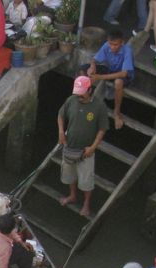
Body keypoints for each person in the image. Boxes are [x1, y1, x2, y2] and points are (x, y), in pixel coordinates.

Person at [57, 75, 109, 217]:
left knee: (86, 180)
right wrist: (61, 131)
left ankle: (86, 204)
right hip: (70, 146)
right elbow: (60, 115)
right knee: (70, 175)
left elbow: (102, 129)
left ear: (90, 90)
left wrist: (93, 147)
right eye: (77, 93)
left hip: (86, 151)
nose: (79, 96)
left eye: (82, 93)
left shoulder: (99, 106)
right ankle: (72, 195)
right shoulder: (71, 101)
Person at [86, 29, 134, 129]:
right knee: (85, 71)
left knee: (118, 82)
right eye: (110, 44)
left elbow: (123, 73)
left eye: (115, 45)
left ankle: (117, 112)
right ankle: (85, 100)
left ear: (122, 43)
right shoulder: (106, 45)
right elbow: (94, 58)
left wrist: (100, 77)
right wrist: (92, 65)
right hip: (111, 70)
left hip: (125, 76)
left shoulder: (127, 51)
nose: (112, 47)